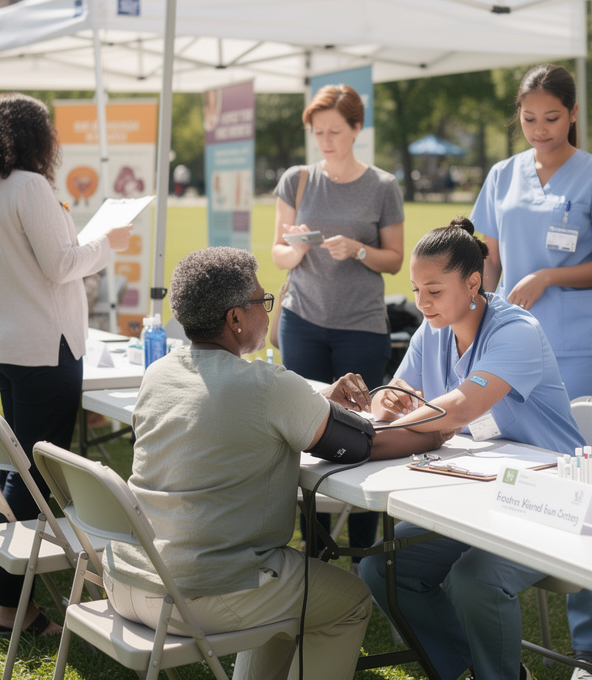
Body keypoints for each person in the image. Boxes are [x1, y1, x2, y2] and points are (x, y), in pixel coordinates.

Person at [107, 246, 450, 680]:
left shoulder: (158, 372)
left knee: (291, 589)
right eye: (261, 302)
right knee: (348, 601)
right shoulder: (268, 385)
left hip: (129, 577)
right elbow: (362, 445)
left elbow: (237, 407)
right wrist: (436, 432)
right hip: (202, 590)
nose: (268, 313)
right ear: (235, 319)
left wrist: (318, 399)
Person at [359, 218, 588, 680]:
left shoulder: (516, 331)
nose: (422, 303)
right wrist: (389, 397)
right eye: (416, 290)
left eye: (434, 291)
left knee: (475, 579)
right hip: (480, 492)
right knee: (381, 568)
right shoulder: (432, 328)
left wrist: (375, 436)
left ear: (473, 283)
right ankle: (467, 668)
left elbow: (460, 409)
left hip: (552, 497)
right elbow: (404, 385)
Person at [470, 64, 592, 675]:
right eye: (529, 118)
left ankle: (588, 645)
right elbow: (487, 259)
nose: (540, 130)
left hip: (579, 347)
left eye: (553, 118)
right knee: (511, 463)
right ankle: (500, 584)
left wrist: (549, 276)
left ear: (572, 115)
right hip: (511, 344)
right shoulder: (500, 175)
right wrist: (481, 311)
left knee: (580, 480)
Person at [0, 92, 131, 635]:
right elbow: (61, 267)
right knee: (30, 476)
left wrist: (80, 238)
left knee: (20, 468)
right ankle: (10, 608)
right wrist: (109, 243)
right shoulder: (30, 185)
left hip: (9, 343)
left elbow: (41, 260)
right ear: (38, 137)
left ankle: (10, 602)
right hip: (43, 347)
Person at [272, 83, 404, 549]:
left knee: (363, 432)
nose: (325, 141)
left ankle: (367, 547)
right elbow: (277, 254)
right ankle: (317, 546)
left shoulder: (383, 186)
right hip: (302, 320)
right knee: (306, 432)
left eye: (334, 131)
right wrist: (295, 246)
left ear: (356, 129)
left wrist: (358, 249)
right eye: (317, 132)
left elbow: (394, 260)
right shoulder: (298, 179)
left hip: (361, 327)